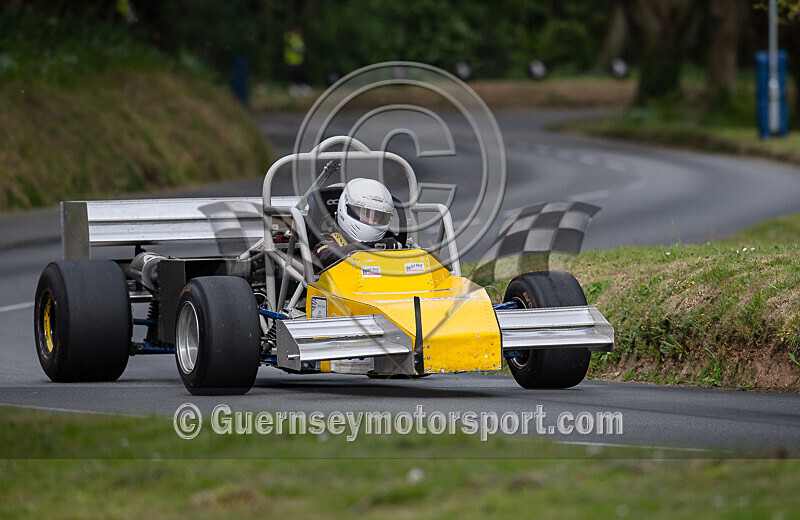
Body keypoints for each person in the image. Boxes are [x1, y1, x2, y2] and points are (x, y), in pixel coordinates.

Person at [313, 178, 400, 269]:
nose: (371, 220)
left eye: (376, 216)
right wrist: (368, 246)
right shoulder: (330, 241)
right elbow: (322, 256)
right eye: (365, 213)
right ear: (347, 209)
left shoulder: (389, 243)